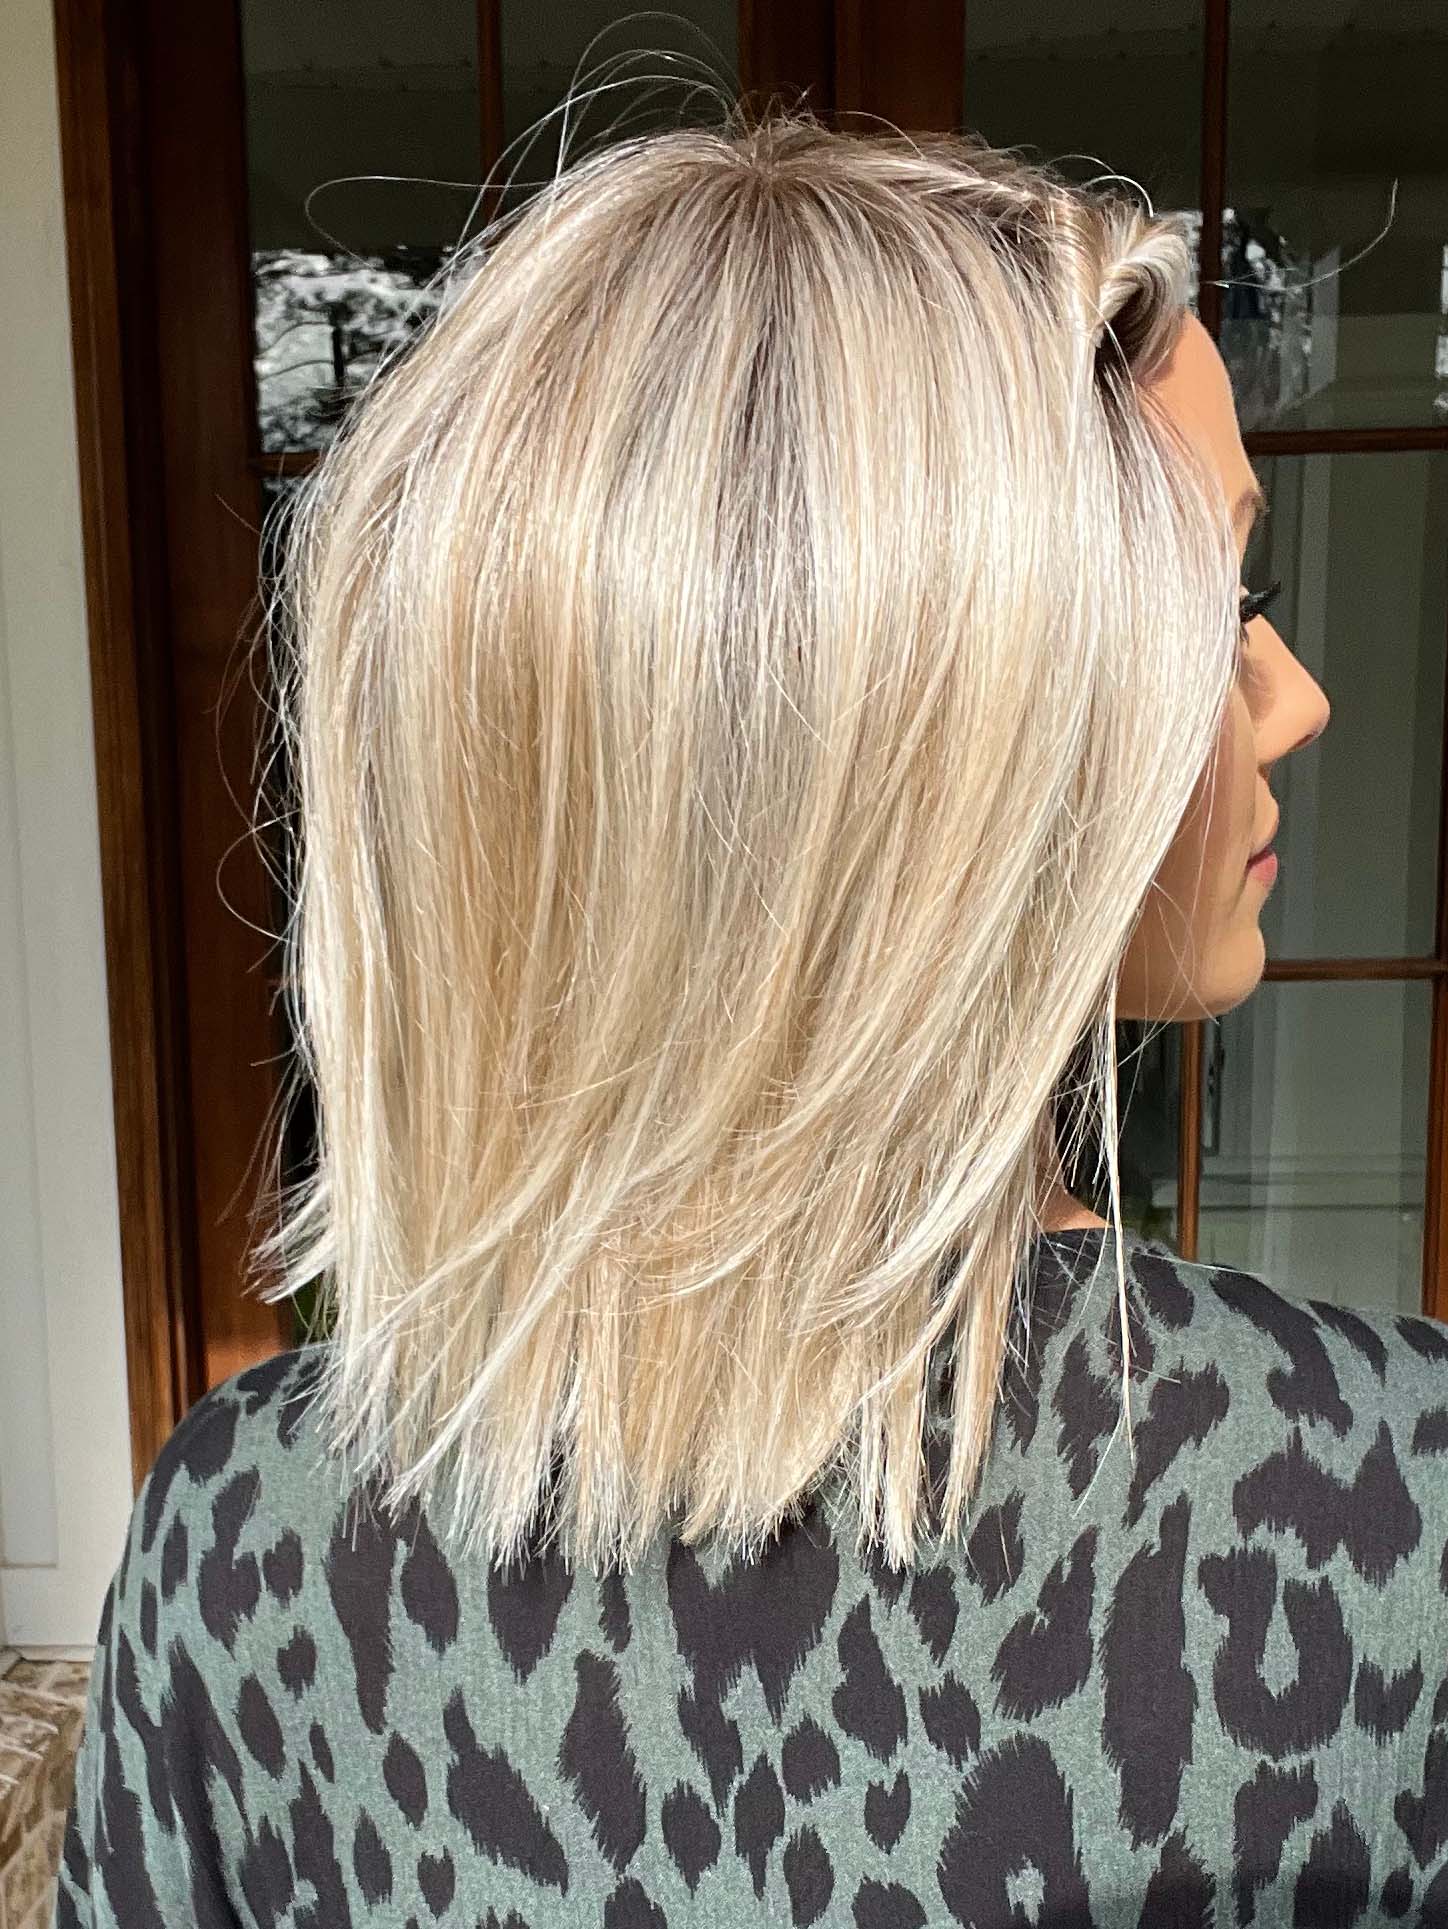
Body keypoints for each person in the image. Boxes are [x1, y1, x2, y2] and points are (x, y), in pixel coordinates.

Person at [56, 108, 1448, 1929]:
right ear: (945, 735)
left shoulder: (245, 1548)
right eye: (1220, 605)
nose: (1299, 695)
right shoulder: (1392, 1517)